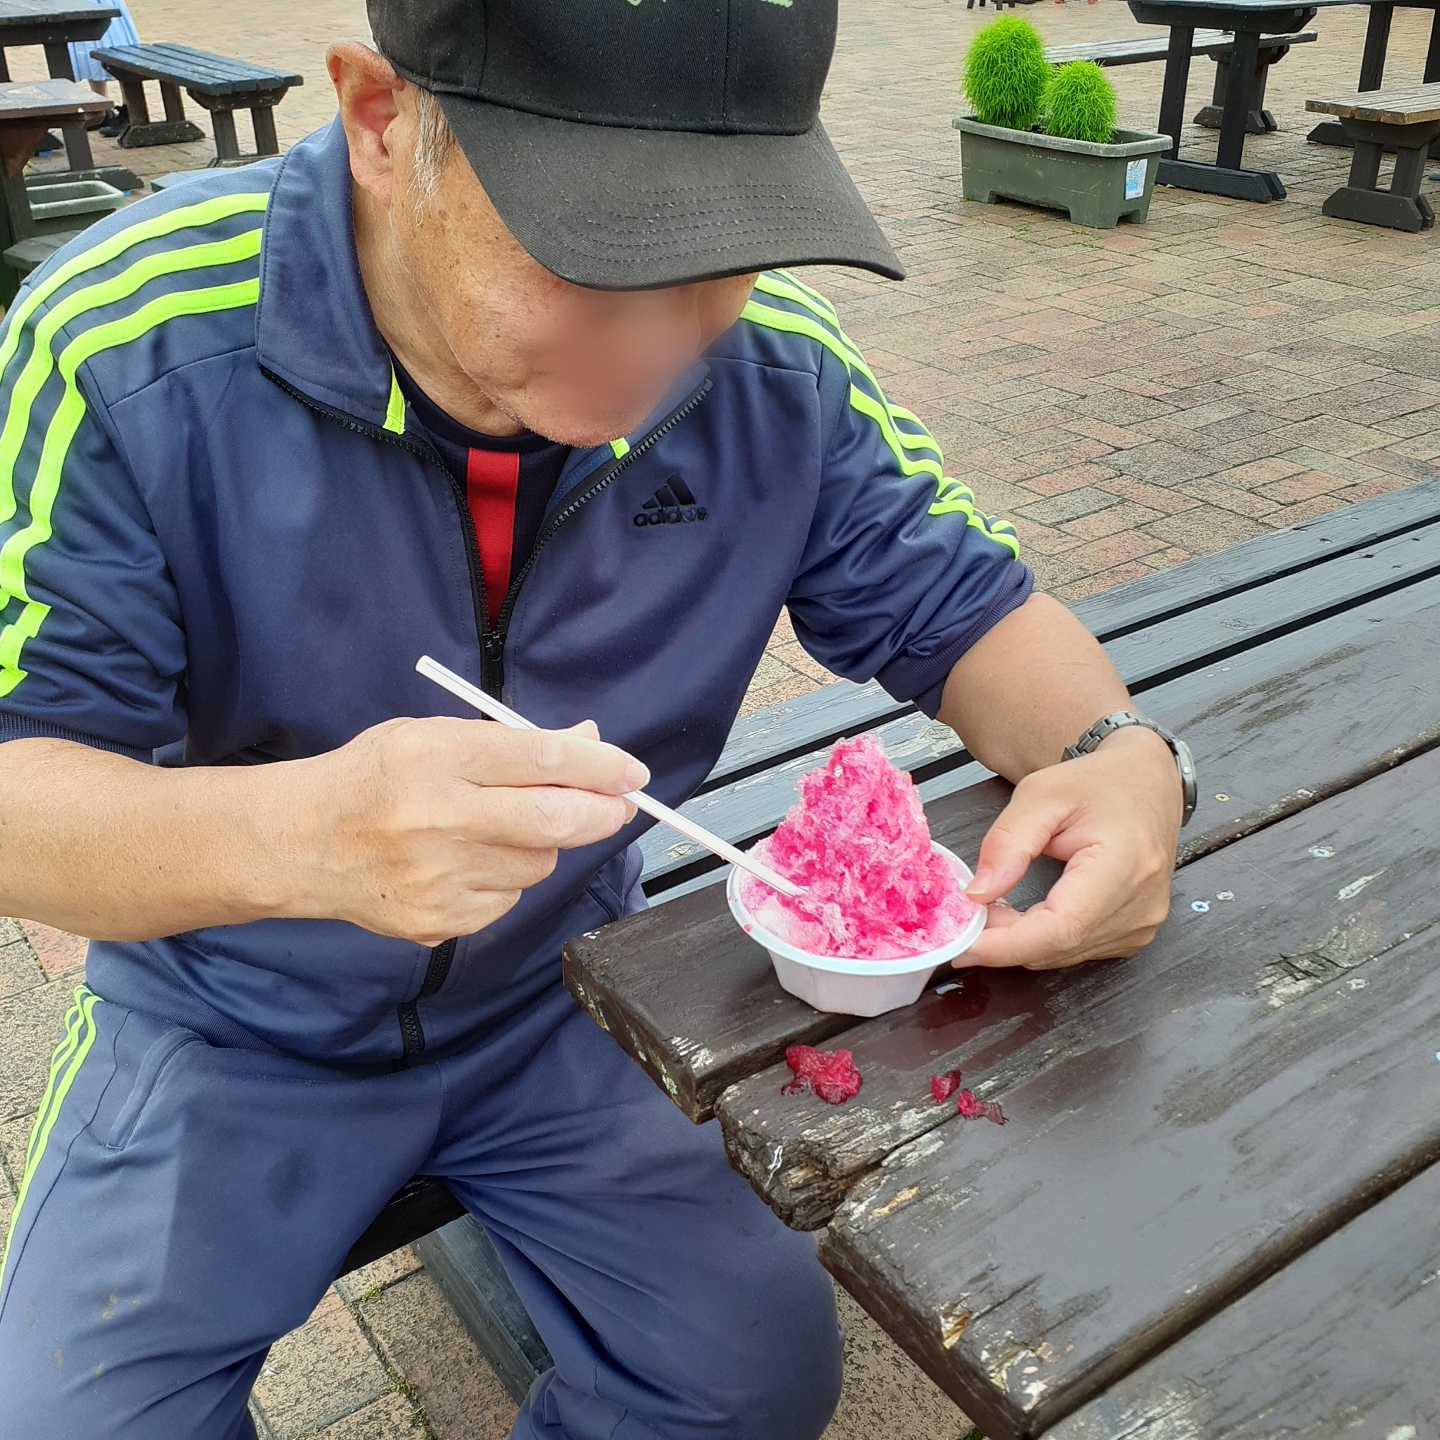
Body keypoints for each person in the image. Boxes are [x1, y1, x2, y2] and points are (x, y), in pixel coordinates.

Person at [0, 0, 1187, 1435]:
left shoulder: (778, 374)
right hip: (230, 1014)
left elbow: (974, 616)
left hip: (565, 991)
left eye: (722, 252)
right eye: (596, 248)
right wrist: (302, 838)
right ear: (382, 120)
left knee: (747, 1375)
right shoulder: (129, 340)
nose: (664, 342)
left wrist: (1120, 757)